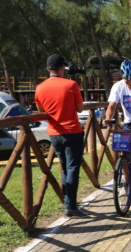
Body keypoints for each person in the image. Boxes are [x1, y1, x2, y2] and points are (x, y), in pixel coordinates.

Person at [35, 54, 86, 218]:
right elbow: (79, 109)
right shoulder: (71, 84)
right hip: (72, 132)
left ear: (48, 69)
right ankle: (70, 206)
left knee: (65, 167)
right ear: (63, 68)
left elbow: (41, 111)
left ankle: (67, 203)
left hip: (54, 134)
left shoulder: (39, 87)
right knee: (72, 168)